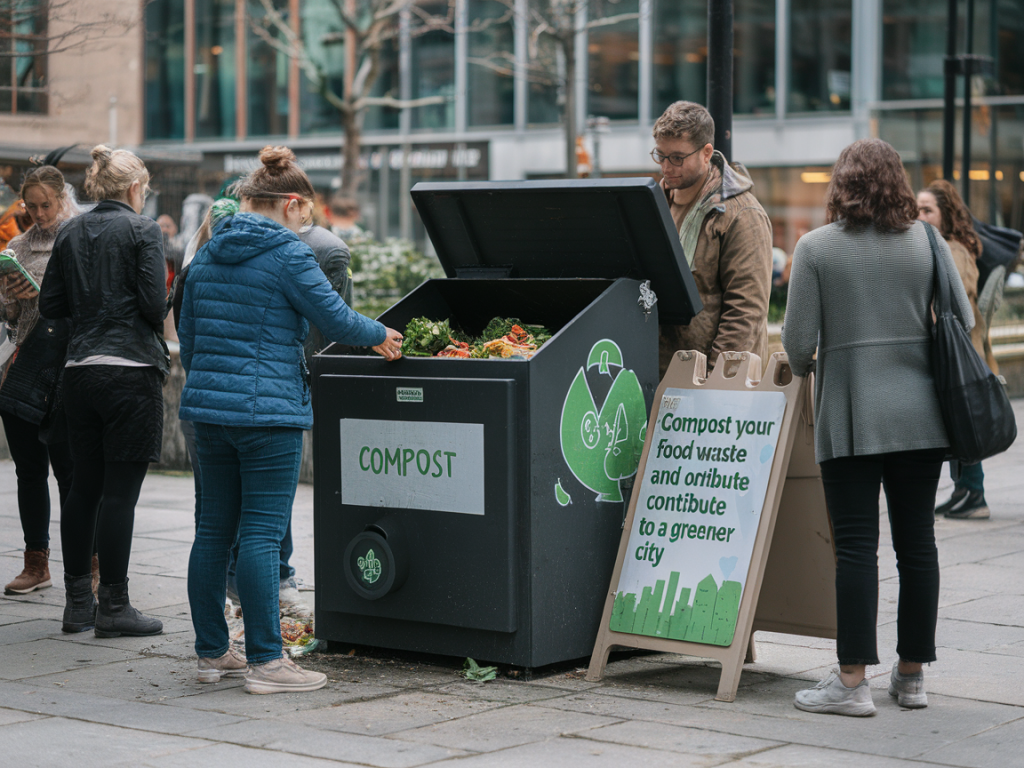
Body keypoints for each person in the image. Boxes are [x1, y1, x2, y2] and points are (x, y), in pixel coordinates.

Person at [178, 146, 403, 694]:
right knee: (259, 534)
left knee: (212, 532)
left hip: (206, 411)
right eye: (308, 216)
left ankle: (212, 654)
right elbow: (336, 320)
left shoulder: (205, 253)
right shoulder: (288, 254)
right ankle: (267, 663)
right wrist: (383, 336)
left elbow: (186, 334)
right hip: (267, 413)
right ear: (295, 205)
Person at [782, 138, 972, 716]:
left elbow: (796, 344)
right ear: (896, 181)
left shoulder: (814, 249)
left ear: (841, 184)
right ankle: (911, 675)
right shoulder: (927, 240)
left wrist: (825, 360)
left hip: (852, 415)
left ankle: (851, 682)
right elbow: (961, 318)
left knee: (856, 549)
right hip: (922, 416)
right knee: (918, 545)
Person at [40, 145, 169, 637]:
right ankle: (114, 606)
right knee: (119, 496)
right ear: (136, 188)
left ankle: (77, 605)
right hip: (130, 371)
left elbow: (52, 304)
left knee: (83, 488)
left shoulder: (71, 229)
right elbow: (155, 307)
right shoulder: (143, 229)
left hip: (79, 371)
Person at [652, 101, 773, 375]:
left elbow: (745, 312)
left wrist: (713, 380)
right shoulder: (654, 205)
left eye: (678, 157)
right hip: (658, 377)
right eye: (660, 155)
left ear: (707, 153)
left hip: (713, 386)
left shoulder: (742, 215)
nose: (667, 167)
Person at [0, 166, 76, 595]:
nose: (40, 213)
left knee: (70, 472)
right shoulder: (17, 245)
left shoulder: (77, 239)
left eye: (47, 204)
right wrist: (11, 294)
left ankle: (87, 564)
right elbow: (11, 318)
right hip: (23, 365)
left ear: (62, 198)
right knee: (29, 471)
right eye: (32, 205)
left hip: (65, 368)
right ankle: (36, 562)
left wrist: (45, 295)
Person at [917, 180, 992, 520]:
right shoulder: (938, 246)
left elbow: (959, 300)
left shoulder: (956, 250)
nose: (920, 216)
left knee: (964, 423)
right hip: (955, 350)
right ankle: (963, 489)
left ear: (945, 215)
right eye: (917, 209)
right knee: (953, 422)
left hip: (963, 352)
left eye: (927, 210)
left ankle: (975, 493)